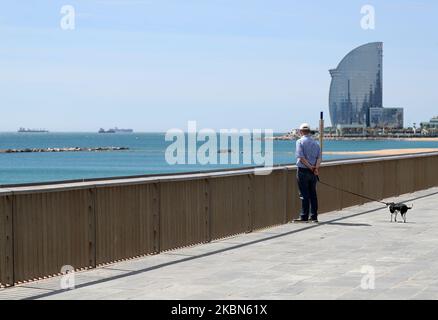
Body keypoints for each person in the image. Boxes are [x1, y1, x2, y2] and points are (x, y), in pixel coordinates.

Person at [293, 123, 321, 223]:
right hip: (313, 172)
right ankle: (314, 217)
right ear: (309, 131)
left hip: (303, 171)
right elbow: (319, 158)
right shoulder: (316, 143)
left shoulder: (299, 142)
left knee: (304, 194)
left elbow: (301, 157)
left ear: (301, 132)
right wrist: (315, 168)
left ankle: (304, 216)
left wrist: (310, 167)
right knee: (313, 194)